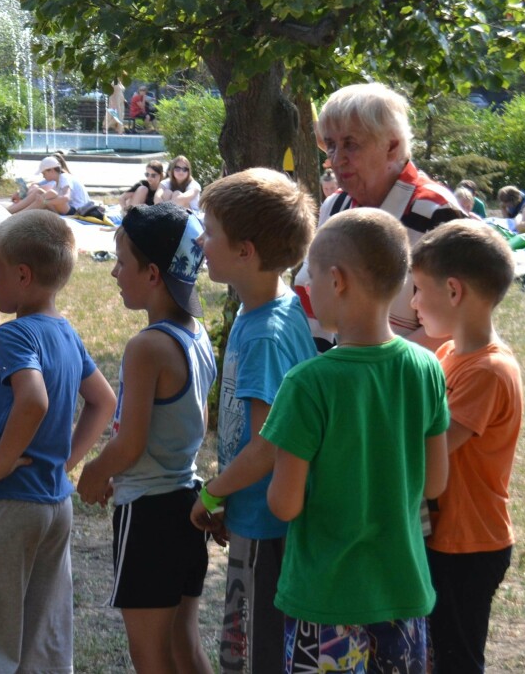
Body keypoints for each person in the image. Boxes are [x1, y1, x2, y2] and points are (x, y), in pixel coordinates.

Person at [262, 209, 450, 674]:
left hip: (324, 601)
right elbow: (435, 484)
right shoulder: (426, 367)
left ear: (337, 280)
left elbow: (284, 505)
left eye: (310, 276)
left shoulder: (308, 383)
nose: (306, 287)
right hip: (402, 595)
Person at [0, 210, 116, 673]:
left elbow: (33, 401)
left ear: (22, 275)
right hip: (54, 506)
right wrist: (64, 465)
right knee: (43, 643)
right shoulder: (66, 333)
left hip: (7, 504)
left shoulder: (15, 333)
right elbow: (104, 401)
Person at [77, 202, 216, 674]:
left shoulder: (148, 347)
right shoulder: (196, 335)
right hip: (186, 504)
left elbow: (130, 442)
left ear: (153, 273)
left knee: (150, 656)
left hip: (148, 515)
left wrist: (95, 472)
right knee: (185, 645)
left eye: (121, 262)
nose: (115, 272)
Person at [189, 169, 317, 674]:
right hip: (254, 514)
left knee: (255, 652)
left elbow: (268, 445)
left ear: (244, 250)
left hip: (266, 527)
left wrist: (213, 492)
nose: (201, 239)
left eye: (210, 231)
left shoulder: (264, 333)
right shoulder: (270, 310)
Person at [409, 220, 523, 674]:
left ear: (453, 292)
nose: (413, 303)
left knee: (457, 659)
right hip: (447, 538)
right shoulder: (448, 354)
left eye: (417, 289)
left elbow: (428, 450)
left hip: (469, 544)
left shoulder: (488, 371)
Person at [296, 82, 464, 350]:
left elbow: (455, 321)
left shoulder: (437, 212)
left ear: (392, 147)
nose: (337, 159)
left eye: (350, 144)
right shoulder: (335, 206)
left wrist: (370, 369)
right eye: (331, 145)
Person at [8, 152, 93, 216]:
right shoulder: (57, 180)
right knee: (41, 192)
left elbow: (66, 198)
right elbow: (37, 185)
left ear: (51, 170)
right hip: (70, 209)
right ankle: (12, 212)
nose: (44, 177)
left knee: (49, 194)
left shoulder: (64, 178)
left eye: (44, 174)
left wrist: (45, 201)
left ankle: (15, 215)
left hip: (76, 210)